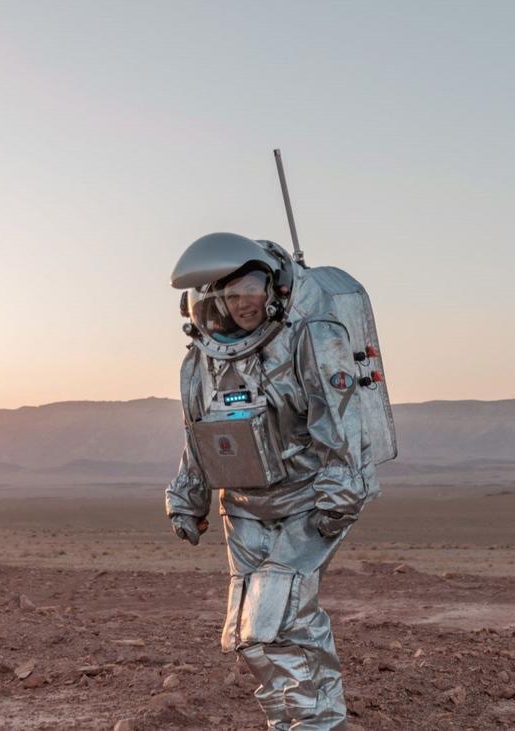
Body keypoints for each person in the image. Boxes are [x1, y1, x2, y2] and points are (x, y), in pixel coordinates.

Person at [167, 232, 386, 730]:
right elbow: (199, 435)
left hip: (308, 500)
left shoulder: (310, 339)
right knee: (249, 635)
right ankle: (289, 721)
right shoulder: (200, 361)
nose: (243, 302)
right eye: (230, 295)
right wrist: (187, 499)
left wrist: (339, 494)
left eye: (251, 288)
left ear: (274, 289)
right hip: (243, 505)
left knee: (280, 619)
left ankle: (318, 723)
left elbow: (340, 421)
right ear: (210, 303)